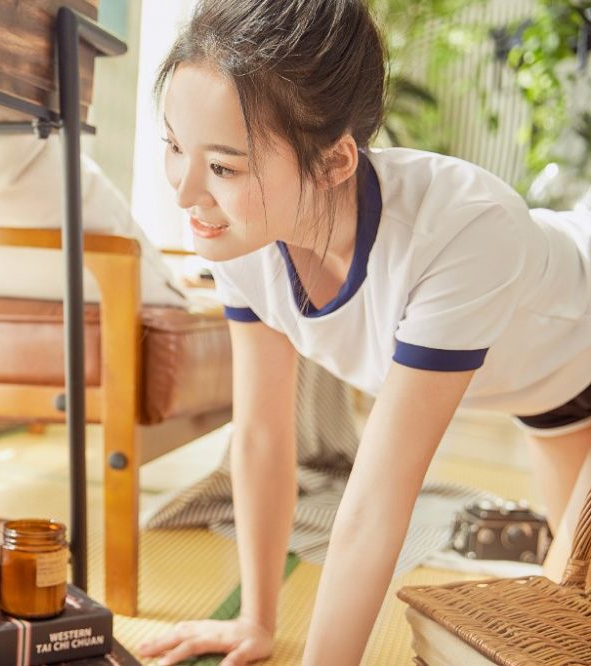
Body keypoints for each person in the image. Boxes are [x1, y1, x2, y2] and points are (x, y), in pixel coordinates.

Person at [136, 1, 591, 664]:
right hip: (542, 386)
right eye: (176, 147)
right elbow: (263, 436)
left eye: (224, 167)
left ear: (335, 161)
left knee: (569, 613)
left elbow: (378, 503)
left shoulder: (459, 233)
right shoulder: (236, 231)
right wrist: (257, 621)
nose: (185, 194)